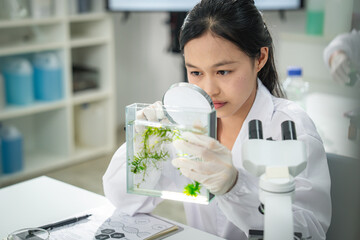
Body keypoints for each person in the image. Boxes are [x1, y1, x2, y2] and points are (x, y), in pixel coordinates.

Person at [103, 0, 331, 239]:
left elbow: (308, 232)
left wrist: (236, 187)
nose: (209, 89)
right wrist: (140, 152)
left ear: (260, 58)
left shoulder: (290, 128)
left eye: (223, 72)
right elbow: (125, 203)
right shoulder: (184, 123)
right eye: (196, 72)